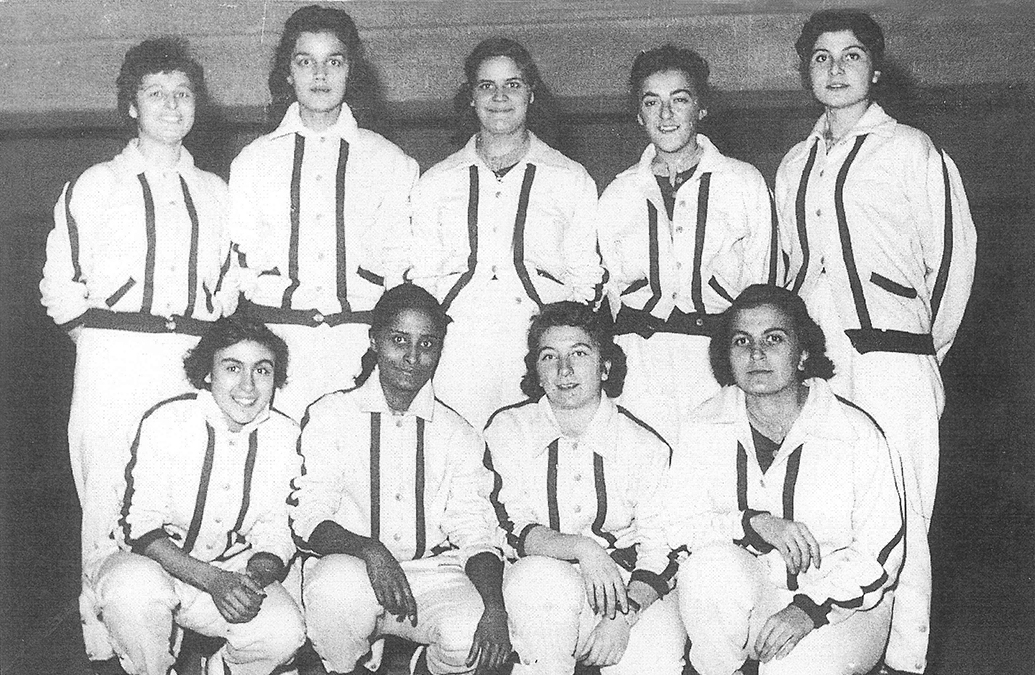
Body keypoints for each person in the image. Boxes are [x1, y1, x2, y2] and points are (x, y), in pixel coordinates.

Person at [774, 9, 976, 675]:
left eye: (851, 55)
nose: (835, 69)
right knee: (834, 517)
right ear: (806, 70)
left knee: (905, 518)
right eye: (821, 57)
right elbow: (787, 271)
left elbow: (951, 263)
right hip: (821, 369)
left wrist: (916, 351)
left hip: (894, 360)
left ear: (876, 68)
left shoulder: (911, 148)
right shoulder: (793, 163)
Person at [39, 37, 238, 675]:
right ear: (131, 105)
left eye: (183, 94)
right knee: (106, 511)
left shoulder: (217, 193)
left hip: (191, 360)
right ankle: (106, 668)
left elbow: (229, 289)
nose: (172, 106)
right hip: (112, 358)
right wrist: (108, 345)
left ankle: (184, 662)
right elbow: (60, 289)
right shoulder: (93, 185)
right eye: (157, 93)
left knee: (187, 502)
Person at [669, 285, 906, 675]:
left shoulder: (855, 431)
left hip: (843, 606)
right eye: (741, 341)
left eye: (773, 339)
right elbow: (676, 525)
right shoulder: (702, 425)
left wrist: (810, 609)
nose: (756, 354)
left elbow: (883, 552)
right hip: (755, 595)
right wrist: (751, 523)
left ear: (802, 353)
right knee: (705, 568)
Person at [288, 284, 512, 675]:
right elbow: (309, 514)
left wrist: (494, 606)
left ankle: (429, 674)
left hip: (432, 571)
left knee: (475, 631)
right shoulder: (332, 414)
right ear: (374, 340)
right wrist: (369, 549)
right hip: (355, 566)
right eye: (399, 340)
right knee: (334, 591)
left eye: (427, 343)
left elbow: (475, 529)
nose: (412, 357)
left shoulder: (457, 432)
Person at [92, 316, 305, 675]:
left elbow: (276, 530)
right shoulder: (169, 420)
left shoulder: (286, 436)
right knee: (130, 593)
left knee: (285, 630)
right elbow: (139, 525)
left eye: (262, 370)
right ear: (207, 372)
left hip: (229, 573)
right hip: (157, 567)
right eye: (232, 367)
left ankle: (223, 673)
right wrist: (214, 581)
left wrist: (252, 580)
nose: (248, 385)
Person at [484, 302, 685, 675]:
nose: (564, 370)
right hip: (545, 577)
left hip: (626, 584)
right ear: (535, 369)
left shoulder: (644, 445)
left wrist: (623, 615)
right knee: (537, 579)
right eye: (549, 356)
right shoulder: (509, 428)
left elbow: (664, 546)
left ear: (605, 365)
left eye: (579, 353)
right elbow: (507, 524)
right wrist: (581, 548)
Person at [229, 4, 419, 422]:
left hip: (357, 349)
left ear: (351, 70)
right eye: (305, 62)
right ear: (288, 72)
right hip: (275, 348)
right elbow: (240, 267)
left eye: (333, 61)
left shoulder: (390, 162)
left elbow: (400, 266)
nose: (320, 75)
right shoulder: (254, 161)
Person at [410, 37, 603, 430]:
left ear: (531, 94)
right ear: (471, 97)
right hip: (459, 351)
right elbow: (422, 277)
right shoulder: (437, 181)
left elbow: (586, 280)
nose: (499, 97)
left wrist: (559, 345)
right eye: (487, 85)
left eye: (512, 85)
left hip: (538, 350)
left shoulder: (570, 178)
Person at [599, 45, 780, 447]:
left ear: (701, 107)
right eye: (652, 102)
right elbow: (609, 294)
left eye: (679, 99)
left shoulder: (743, 182)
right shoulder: (618, 192)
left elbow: (762, 284)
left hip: (714, 359)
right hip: (639, 360)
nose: (666, 114)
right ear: (639, 114)